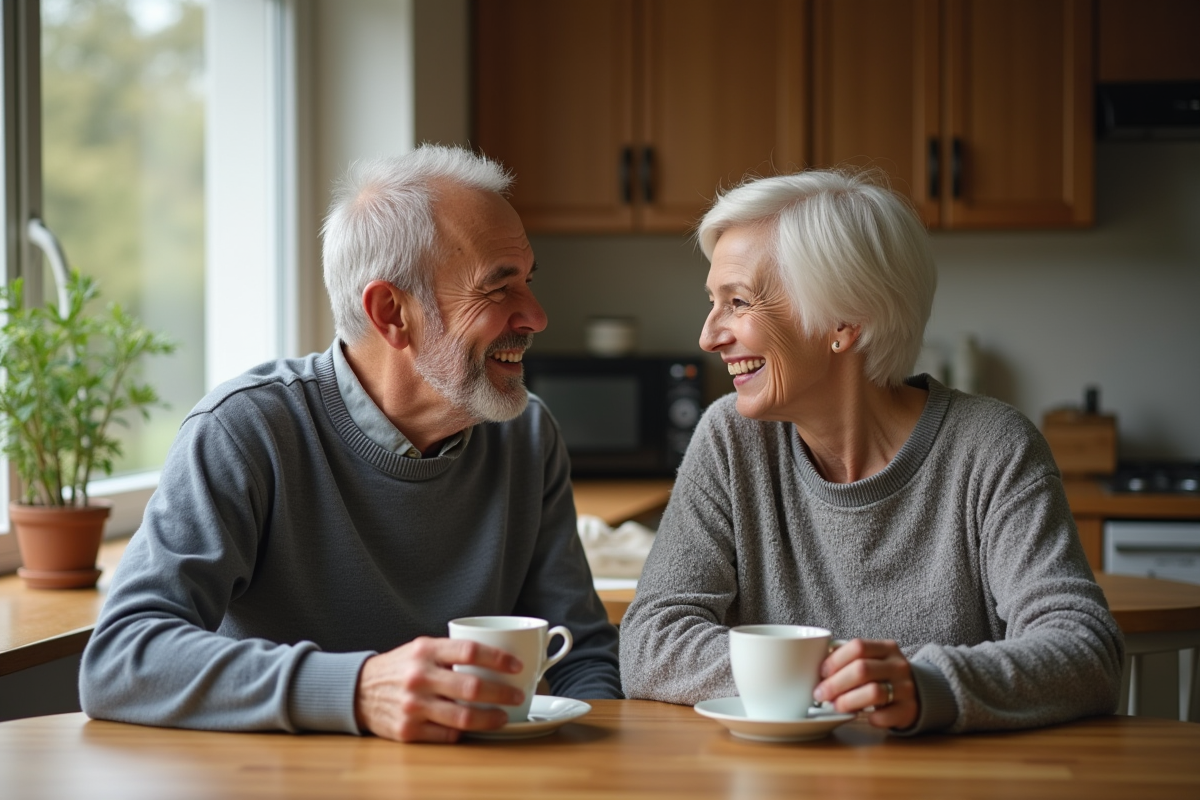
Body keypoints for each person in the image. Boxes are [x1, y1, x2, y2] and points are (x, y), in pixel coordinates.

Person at [80, 145, 621, 743]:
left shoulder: (526, 435)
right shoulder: (246, 431)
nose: (536, 316)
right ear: (391, 312)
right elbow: (121, 659)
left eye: (527, 280)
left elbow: (582, 659)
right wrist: (358, 690)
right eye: (498, 289)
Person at [618, 169, 1124, 734]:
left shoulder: (992, 448)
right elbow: (652, 641)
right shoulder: (731, 438)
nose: (709, 336)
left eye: (737, 302)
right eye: (713, 302)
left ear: (845, 322)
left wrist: (924, 683)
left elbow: (1086, 650)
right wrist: (838, 680)